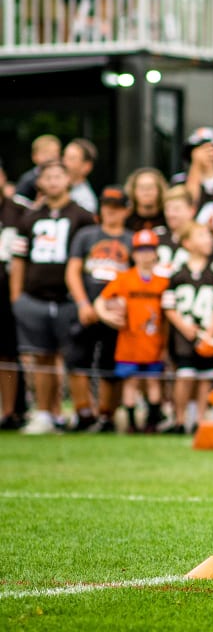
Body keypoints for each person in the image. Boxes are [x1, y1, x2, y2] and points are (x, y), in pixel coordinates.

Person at [10, 161, 97, 434]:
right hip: (34, 298)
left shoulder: (82, 216)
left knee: (71, 357)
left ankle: (78, 412)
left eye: (58, 176)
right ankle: (45, 413)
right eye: (48, 177)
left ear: (68, 180)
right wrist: (17, 298)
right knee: (42, 357)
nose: (53, 181)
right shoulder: (30, 217)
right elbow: (19, 259)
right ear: (40, 183)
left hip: (68, 299)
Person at [63, 185, 132, 432]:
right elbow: (72, 271)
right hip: (87, 308)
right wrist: (83, 303)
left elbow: (135, 277)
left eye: (116, 207)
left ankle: (107, 416)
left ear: (126, 210)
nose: (110, 212)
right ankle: (83, 412)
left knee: (111, 364)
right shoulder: (86, 235)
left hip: (116, 312)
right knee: (76, 359)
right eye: (106, 207)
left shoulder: (131, 240)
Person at [94, 229, 169, 433]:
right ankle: (132, 424)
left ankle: (152, 423)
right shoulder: (124, 279)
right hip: (130, 340)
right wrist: (108, 316)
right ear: (134, 254)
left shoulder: (162, 282)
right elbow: (101, 301)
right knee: (131, 382)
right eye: (141, 250)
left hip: (153, 340)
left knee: (153, 382)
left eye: (149, 250)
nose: (145, 255)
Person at [162, 224, 213, 432]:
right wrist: (183, 326)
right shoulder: (177, 272)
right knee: (184, 376)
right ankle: (180, 419)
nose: (208, 240)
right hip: (185, 335)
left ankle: (201, 419)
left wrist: (211, 332)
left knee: (205, 378)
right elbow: (168, 305)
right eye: (201, 236)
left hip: (207, 332)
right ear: (187, 243)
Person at [172, 127, 213, 235]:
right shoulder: (180, 181)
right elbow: (189, 203)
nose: (207, 152)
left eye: (212, 148)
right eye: (200, 148)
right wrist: (196, 165)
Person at [0, 169, 27, 429]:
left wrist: (17, 296)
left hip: (5, 293)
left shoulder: (19, 210)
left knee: (7, 354)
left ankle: (9, 413)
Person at [12, 134, 60, 205]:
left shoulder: (65, 176)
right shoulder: (28, 179)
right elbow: (18, 201)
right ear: (34, 156)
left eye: (54, 153)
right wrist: (33, 206)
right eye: (46, 153)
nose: (50, 158)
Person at [124, 167, 169, 234]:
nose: (146, 192)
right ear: (133, 191)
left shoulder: (169, 217)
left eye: (150, 187)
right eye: (142, 188)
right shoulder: (125, 220)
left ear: (159, 190)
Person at [62, 138, 97, 214]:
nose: (64, 163)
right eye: (64, 156)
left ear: (87, 166)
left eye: (71, 159)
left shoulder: (86, 202)